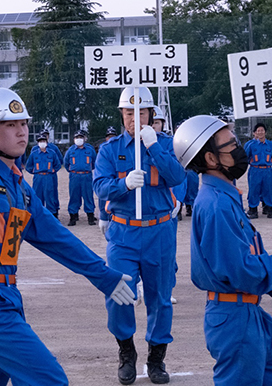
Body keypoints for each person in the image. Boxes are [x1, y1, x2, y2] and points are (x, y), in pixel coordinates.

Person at [0, 87, 135, 385]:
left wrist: (104, 276)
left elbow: (58, 238)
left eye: (23, 124)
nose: (22, 132)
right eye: (10, 125)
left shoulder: (20, 187)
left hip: (0, 299)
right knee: (49, 381)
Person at [173, 115, 272, 386]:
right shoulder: (216, 206)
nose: (239, 148)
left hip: (249, 313)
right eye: (231, 144)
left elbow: (250, 257)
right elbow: (240, 271)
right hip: (234, 319)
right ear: (211, 159)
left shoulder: (226, 197)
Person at [93, 86, 185, 385]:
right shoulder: (109, 150)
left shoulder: (166, 144)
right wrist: (125, 186)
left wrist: (153, 147)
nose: (135, 118)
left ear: (150, 114)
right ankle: (126, 352)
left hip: (159, 230)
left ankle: (156, 358)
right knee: (118, 294)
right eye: (129, 113)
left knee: (160, 297)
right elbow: (101, 186)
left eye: (141, 112)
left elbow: (177, 177)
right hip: (124, 232)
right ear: (122, 115)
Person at [244, 123, 272, 219]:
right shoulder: (250, 145)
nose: (260, 132)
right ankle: (253, 210)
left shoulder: (270, 145)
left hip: (267, 170)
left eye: (262, 130)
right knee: (254, 189)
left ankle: (269, 210)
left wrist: (270, 163)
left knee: (268, 189)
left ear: (265, 132)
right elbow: (245, 157)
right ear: (254, 133)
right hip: (255, 170)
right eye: (258, 131)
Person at [64, 130, 97, 226]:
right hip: (74, 176)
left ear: (84, 139)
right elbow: (66, 163)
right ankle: (73, 217)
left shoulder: (90, 150)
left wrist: (87, 169)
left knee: (88, 196)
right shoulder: (71, 150)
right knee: (74, 196)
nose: (79, 139)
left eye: (81, 137)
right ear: (74, 139)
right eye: (77, 138)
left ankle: (90, 217)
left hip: (86, 176)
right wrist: (73, 171)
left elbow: (94, 162)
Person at [25, 133, 61, 217]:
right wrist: (34, 172)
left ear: (47, 142)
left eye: (43, 141)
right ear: (37, 143)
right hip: (38, 177)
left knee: (50, 196)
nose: (42, 143)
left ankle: (52, 215)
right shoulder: (34, 154)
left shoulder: (52, 153)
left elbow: (58, 164)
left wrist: (53, 170)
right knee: (37, 196)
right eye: (40, 141)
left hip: (48, 177)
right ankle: (38, 215)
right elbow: (28, 166)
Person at [98, 126, 118, 234]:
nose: (110, 138)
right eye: (109, 136)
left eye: (112, 136)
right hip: (106, 175)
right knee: (104, 195)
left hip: (118, 177)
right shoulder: (103, 149)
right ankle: (104, 216)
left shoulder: (120, 147)